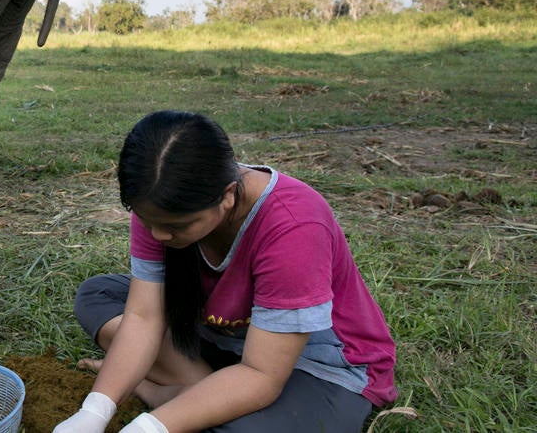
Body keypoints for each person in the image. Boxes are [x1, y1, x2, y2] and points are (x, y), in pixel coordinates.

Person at [55, 110, 397, 433]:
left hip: (310, 364)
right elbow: (143, 318)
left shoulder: (294, 226)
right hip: (225, 333)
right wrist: (95, 410)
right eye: (146, 220)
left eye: (177, 226)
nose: (158, 235)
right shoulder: (162, 203)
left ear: (228, 196)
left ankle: (176, 394)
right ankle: (208, 394)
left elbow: (263, 374)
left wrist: (151, 425)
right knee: (98, 295)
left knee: (242, 429)